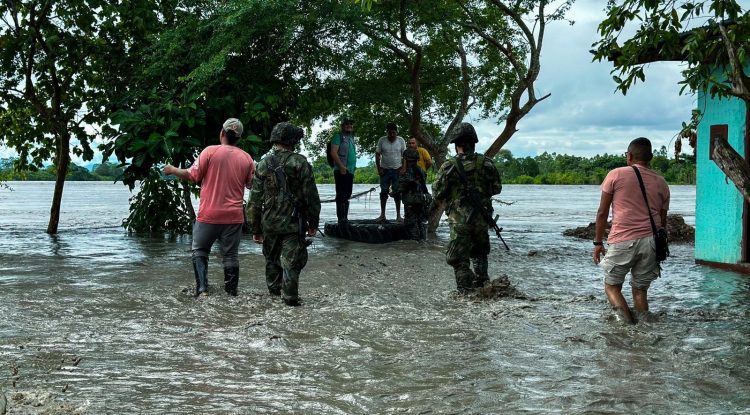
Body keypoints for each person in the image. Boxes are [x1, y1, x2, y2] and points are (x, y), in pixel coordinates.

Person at [163, 118, 254, 297]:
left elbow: (192, 175)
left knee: (200, 250)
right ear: (239, 139)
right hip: (234, 217)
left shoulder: (210, 151)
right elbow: (251, 185)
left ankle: (202, 290)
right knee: (230, 256)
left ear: (221, 133)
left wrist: (172, 169)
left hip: (209, 215)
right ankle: (231, 293)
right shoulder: (247, 158)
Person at [593, 137, 670, 323]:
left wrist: (597, 242)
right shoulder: (662, 183)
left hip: (623, 239)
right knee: (640, 291)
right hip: (651, 243)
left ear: (629, 156)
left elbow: (602, 213)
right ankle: (643, 330)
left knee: (612, 286)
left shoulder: (616, 175)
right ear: (650, 157)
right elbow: (663, 221)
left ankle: (626, 328)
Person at [248, 122, 321, 306]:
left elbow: (254, 201)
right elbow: (311, 196)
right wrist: (313, 223)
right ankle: (290, 303)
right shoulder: (300, 162)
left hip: (270, 224)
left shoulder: (263, 164)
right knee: (291, 264)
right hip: (293, 224)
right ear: (292, 141)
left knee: (272, 262)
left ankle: (273, 301)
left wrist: (255, 228)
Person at [433, 123, 502, 293]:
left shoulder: (449, 167)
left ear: (457, 145)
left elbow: (437, 193)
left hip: (459, 222)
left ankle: (465, 296)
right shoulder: (487, 164)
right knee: (479, 255)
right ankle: (483, 288)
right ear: (474, 143)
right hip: (481, 220)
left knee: (459, 260)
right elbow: (497, 188)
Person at [393, 148, 430, 240]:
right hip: (421, 201)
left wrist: (393, 191)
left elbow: (399, 189)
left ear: (405, 160)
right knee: (420, 224)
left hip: (411, 203)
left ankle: (414, 246)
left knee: (411, 226)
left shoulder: (406, 173)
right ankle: (422, 243)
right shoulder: (421, 171)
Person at [375, 122, 406, 223]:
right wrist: (379, 169)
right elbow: (377, 154)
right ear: (387, 132)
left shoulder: (401, 140)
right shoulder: (382, 140)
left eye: (393, 133)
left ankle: (398, 216)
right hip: (385, 170)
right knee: (384, 192)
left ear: (396, 132)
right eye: (390, 133)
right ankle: (382, 215)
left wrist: (403, 169)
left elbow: (405, 155)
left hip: (397, 170)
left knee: (397, 193)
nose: (392, 135)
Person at [330, 118, 357, 223]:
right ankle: (341, 220)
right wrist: (341, 166)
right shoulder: (338, 136)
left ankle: (345, 218)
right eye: (347, 124)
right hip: (341, 170)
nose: (349, 125)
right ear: (342, 125)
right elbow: (333, 152)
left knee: (347, 194)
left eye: (351, 124)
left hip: (350, 170)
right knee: (341, 195)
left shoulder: (351, 137)